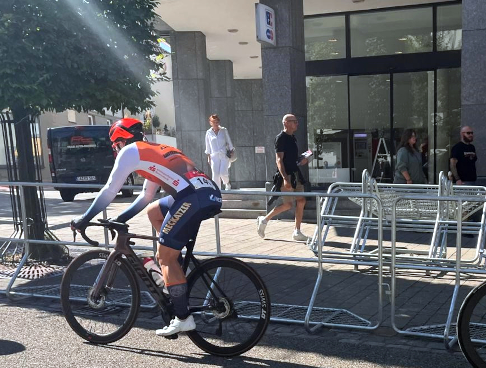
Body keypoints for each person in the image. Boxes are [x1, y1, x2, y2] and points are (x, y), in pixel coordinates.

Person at [71, 118, 222, 336]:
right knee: (154, 211)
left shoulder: (130, 152)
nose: (116, 150)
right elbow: (145, 197)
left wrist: (84, 219)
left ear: (120, 141)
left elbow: (109, 191)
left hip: (192, 198)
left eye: (115, 146)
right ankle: (177, 270)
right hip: (207, 193)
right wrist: (121, 218)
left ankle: (182, 318)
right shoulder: (153, 150)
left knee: (165, 257)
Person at [256, 114, 310, 242]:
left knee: (301, 201)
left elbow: (291, 159)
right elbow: (279, 160)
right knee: (287, 205)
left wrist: (301, 161)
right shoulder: (281, 138)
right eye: (294, 121)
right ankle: (264, 220)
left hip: (296, 174)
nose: (297, 123)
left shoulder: (293, 138)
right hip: (287, 175)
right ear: (286, 123)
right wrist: (285, 178)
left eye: (297, 121)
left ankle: (297, 231)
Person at [204, 114, 235, 190]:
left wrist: (231, 150)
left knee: (223, 173)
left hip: (224, 155)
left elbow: (228, 140)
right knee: (215, 175)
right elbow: (207, 145)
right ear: (210, 122)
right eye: (214, 122)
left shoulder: (223, 130)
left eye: (217, 121)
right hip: (214, 156)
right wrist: (208, 157)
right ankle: (217, 191)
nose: (216, 123)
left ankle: (227, 183)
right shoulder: (208, 132)